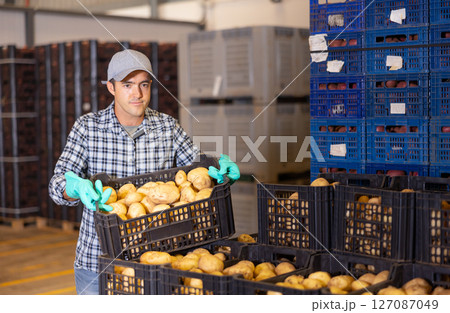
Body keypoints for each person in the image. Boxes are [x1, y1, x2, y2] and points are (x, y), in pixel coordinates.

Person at [48, 49, 240, 295]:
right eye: (127, 85)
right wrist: (73, 188)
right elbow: (57, 183)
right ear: (111, 87)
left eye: (144, 85)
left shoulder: (167, 127)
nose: (137, 94)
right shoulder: (87, 128)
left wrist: (219, 171)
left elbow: (198, 171)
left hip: (158, 260)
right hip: (99, 261)